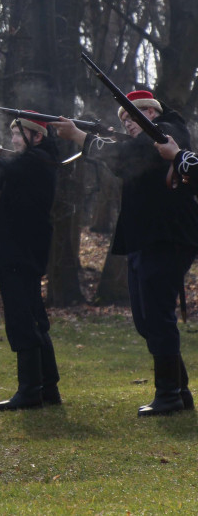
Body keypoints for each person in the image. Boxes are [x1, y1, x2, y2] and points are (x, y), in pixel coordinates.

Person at [53, 90, 198, 416]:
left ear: (152, 113)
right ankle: (179, 391)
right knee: (147, 321)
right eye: (124, 119)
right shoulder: (143, 142)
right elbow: (124, 160)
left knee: (157, 316)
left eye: (134, 116)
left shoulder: (168, 130)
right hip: (146, 238)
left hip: (166, 237)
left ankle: (169, 394)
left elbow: (128, 155)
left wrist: (79, 136)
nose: (128, 123)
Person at [0, 114, 61, 410]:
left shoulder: (35, 160)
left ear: (36, 136)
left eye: (19, 135)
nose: (14, 140)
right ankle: (47, 387)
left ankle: (30, 390)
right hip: (23, 248)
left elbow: (4, 169)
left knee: (22, 319)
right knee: (34, 317)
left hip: (20, 248)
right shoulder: (33, 161)